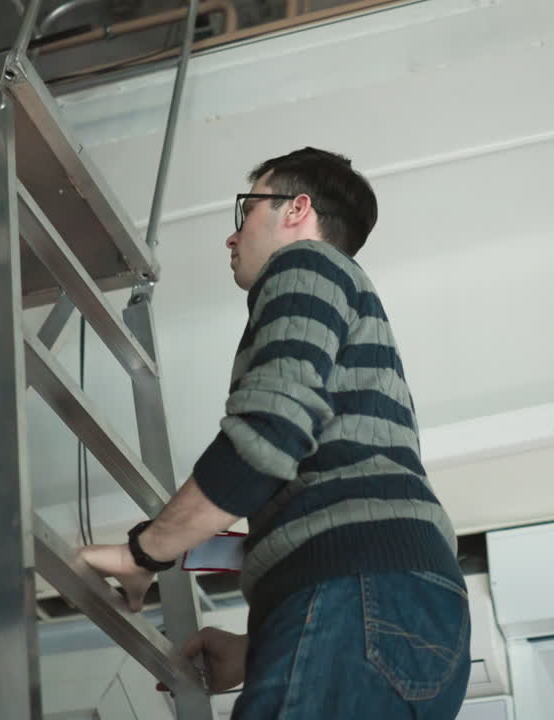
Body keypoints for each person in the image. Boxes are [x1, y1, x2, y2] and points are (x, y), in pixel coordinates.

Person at [78, 147, 470, 718]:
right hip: (398, 614)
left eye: (246, 211)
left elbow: (269, 434)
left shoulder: (305, 265)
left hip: (363, 596)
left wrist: (145, 552)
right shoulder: (346, 308)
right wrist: (259, 646)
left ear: (296, 209)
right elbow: (304, 502)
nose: (232, 238)